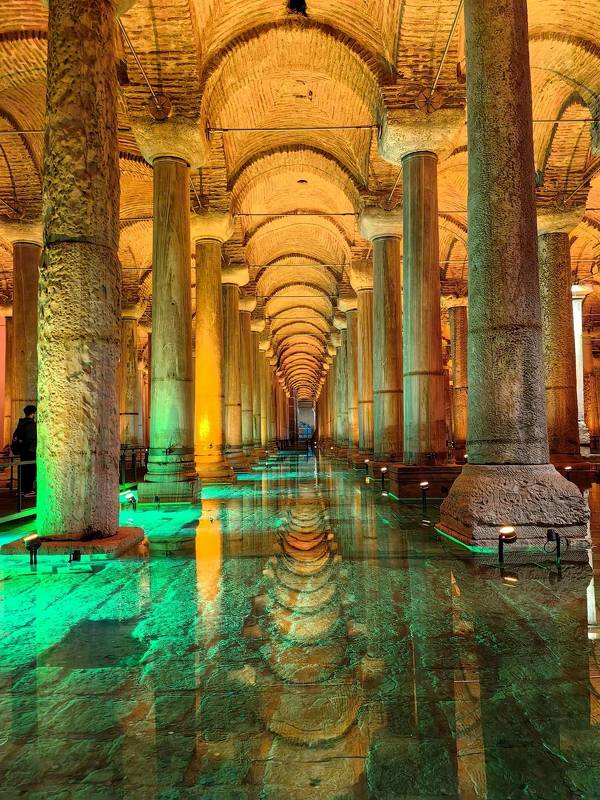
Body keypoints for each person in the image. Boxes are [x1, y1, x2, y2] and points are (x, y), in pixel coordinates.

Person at [11, 404, 37, 497]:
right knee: (30, 470)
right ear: (33, 413)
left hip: (23, 452)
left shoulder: (21, 423)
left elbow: (16, 436)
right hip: (30, 451)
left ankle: (22, 489)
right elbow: (30, 438)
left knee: (23, 470)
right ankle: (28, 490)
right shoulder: (31, 424)